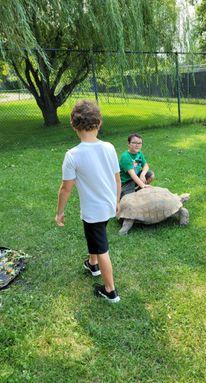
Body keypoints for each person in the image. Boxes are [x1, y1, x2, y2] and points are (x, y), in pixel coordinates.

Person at [55, 100, 121, 303]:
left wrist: (60, 212)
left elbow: (66, 188)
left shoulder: (72, 155)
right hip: (108, 206)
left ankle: (110, 290)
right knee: (95, 237)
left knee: (102, 248)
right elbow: (117, 178)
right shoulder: (109, 147)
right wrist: (117, 202)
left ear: (73, 125)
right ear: (99, 123)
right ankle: (93, 264)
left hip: (94, 211)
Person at [119, 133, 154, 198]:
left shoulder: (139, 153)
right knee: (128, 197)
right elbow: (132, 175)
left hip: (136, 177)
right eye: (134, 143)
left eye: (139, 143)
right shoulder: (126, 156)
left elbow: (146, 165)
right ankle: (124, 191)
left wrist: (142, 174)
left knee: (150, 174)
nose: (137, 145)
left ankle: (138, 189)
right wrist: (143, 185)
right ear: (129, 144)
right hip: (126, 182)